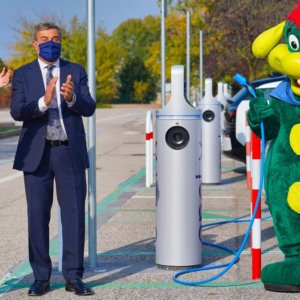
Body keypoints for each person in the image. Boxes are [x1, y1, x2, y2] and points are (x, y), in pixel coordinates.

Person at [10, 22, 96, 296]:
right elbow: (17, 111)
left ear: (61, 42)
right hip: (36, 155)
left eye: (55, 38)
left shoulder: (75, 71)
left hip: (68, 152)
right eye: (44, 39)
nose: (51, 43)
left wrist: (71, 99)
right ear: (35, 44)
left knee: (73, 216)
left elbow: (90, 106)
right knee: (37, 217)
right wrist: (44, 102)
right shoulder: (23, 74)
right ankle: (41, 278)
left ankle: (73, 276)